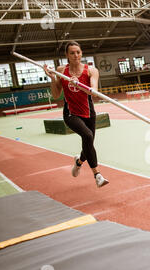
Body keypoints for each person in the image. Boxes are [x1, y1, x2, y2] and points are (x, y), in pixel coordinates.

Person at [44, 41, 109, 188]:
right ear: (67, 55)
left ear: (82, 53)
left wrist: (78, 84)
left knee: (88, 143)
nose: (76, 55)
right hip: (70, 113)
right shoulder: (61, 70)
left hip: (88, 111)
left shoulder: (91, 70)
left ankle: (78, 162)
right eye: (72, 53)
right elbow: (55, 95)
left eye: (78, 52)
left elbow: (94, 92)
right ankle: (97, 175)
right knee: (87, 136)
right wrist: (53, 78)